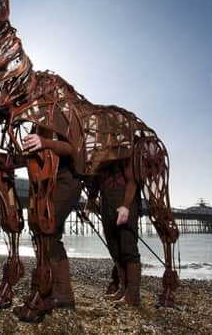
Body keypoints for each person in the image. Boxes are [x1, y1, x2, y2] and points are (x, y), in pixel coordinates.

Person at [20, 131, 82, 314]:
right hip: (46, 182)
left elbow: (72, 148)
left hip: (67, 180)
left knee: (47, 230)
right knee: (46, 233)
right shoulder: (36, 124)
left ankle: (55, 295)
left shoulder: (59, 114)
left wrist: (44, 141)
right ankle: (57, 295)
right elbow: (30, 154)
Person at [85, 162, 141, 306]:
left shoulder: (124, 151)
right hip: (106, 203)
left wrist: (126, 206)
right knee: (114, 248)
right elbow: (95, 184)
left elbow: (132, 181)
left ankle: (133, 295)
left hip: (124, 200)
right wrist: (88, 207)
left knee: (128, 247)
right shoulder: (99, 156)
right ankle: (123, 290)